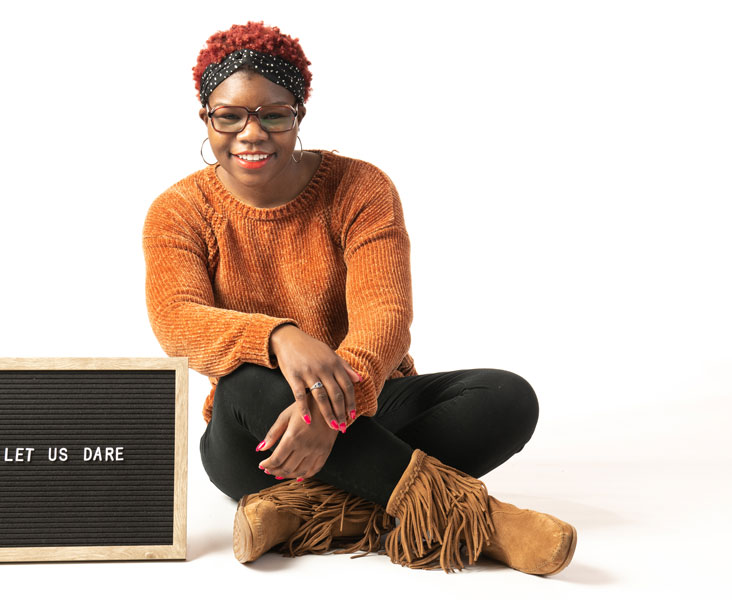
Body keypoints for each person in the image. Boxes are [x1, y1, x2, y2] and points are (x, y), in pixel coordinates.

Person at [143, 21, 576, 575]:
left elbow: (387, 316)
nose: (250, 134)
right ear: (207, 117)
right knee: (247, 379)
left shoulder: (360, 187)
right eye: (229, 116)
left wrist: (333, 413)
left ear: (298, 114)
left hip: (365, 398)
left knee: (507, 396)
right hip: (257, 438)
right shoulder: (178, 211)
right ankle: (480, 522)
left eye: (273, 114)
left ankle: (306, 514)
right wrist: (278, 337)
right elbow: (177, 320)